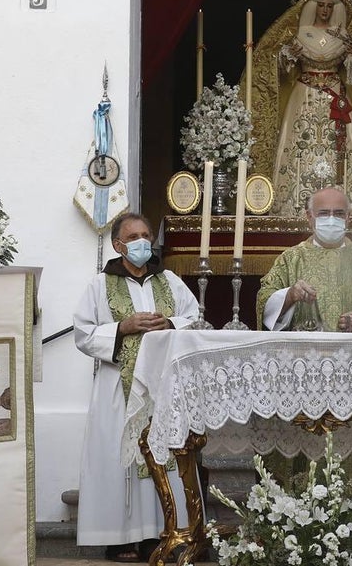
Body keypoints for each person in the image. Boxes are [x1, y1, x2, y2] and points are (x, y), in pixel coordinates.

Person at [74, 212, 200, 562]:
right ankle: (119, 538)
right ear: (118, 245)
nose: (143, 242)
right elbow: (83, 333)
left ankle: (162, 531)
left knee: (162, 454)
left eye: (146, 234)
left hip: (163, 387)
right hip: (118, 388)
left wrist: (170, 323)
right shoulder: (99, 286)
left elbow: (195, 317)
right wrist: (122, 327)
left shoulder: (169, 280)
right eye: (134, 237)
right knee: (122, 459)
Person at [248, 0, 352, 217]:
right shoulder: (300, 35)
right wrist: (287, 55)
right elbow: (276, 68)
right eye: (320, 5)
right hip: (304, 98)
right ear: (313, 7)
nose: (325, 10)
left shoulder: (343, 37)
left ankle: (344, 203)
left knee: (339, 147)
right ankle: (292, 203)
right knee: (299, 144)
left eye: (329, 6)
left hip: (336, 98)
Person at [258, 186, 352, 333]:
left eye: (338, 214)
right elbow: (264, 303)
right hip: (302, 352)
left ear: (348, 217)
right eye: (323, 213)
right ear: (309, 217)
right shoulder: (291, 259)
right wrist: (289, 295)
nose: (331, 219)